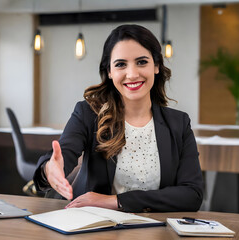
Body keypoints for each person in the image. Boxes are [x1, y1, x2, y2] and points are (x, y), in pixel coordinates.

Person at [33, 24, 203, 213]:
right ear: (109, 72)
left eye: (141, 62)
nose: (132, 74)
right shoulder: (88, 114)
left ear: (156, 66)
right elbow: (63, 154)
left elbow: (192, 195)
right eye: (121, 64)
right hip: (94, 225)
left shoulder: (178, 123)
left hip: (156, 229)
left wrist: (116, 201)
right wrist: (50, 169)